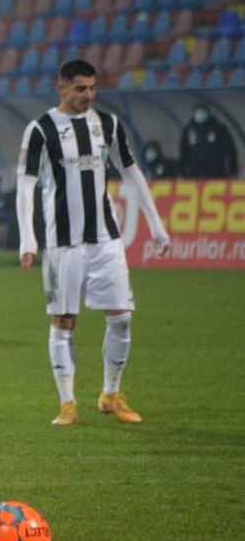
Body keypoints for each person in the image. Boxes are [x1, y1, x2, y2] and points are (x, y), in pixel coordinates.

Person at [15, 59, 171, 426]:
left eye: (93, 88)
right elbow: (25, 183)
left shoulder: (108, 124)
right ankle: (67, 404)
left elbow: (132, 172)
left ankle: (111, 394)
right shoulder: (40, 129)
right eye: (81, 88)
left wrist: (156, 225)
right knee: (63, 321)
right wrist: (28, 236)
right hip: (62, 242)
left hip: (105, 238)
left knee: (121, 318)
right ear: (62, 88)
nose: (89, 95)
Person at [179, 103, 238, 178]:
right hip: (195, 173)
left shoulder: (219, 129)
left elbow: (230, 150)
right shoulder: (188, 130)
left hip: (216, 173)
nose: (199, 115)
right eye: (197, 113)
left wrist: (233, 170)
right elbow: (183, 152)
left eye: (202, 112)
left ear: (208, 114)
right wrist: (182, 171)